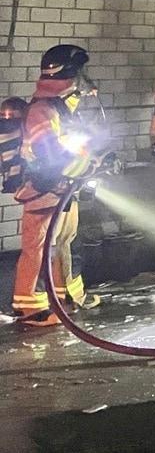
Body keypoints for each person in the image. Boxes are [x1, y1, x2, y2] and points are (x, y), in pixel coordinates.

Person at [10, 45, 106, 326]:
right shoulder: (42, 110)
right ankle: (31, 307)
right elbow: (50, 154)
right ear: (70, 75)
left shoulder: (62, 108)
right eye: (80, 74)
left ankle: (67, 297)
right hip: (43, 190)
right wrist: (86, 165)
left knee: (65, 242)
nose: (84, 81)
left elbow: (74, 146)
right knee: (39, 248)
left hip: (64, 189)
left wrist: (97, 155)